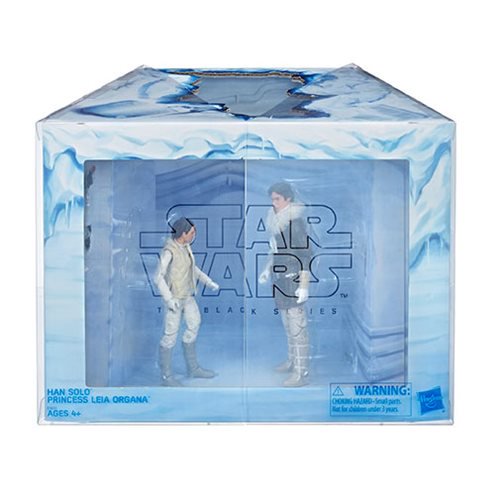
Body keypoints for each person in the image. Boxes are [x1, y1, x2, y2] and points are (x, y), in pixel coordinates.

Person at [155, 217, 219, 386]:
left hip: (187, 296)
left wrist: (208, 282)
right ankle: (166, 376)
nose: (193, 235)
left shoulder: (185, 248)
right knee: (170, 334)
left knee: (194, 324)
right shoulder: (169, 251)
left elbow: (193, 269)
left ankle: (193, 368)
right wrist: (169, 299)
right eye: (191, 232)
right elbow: (158, 277)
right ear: (183, 233)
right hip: (174, 298)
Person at [259, 182, 312, 387]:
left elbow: (306, 255)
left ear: (288, 199)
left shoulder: (295, 223)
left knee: (298, 327)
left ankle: (301, 372)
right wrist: (267, 269)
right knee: (288, 325)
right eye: (272, 199)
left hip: (294, 279)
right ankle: (292, 361)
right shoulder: (277, 222)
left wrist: (304, 285)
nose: (273, 203)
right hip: (280, 279)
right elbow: (275, 251)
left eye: (277, 199)